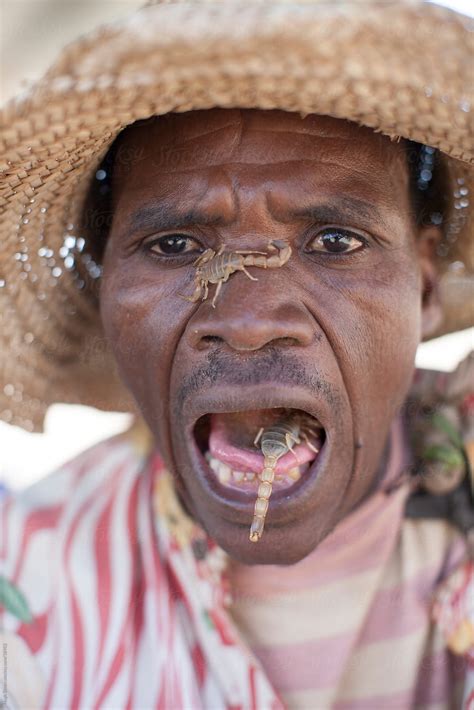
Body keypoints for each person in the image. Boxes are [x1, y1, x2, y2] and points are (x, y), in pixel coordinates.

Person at [0, 1, 473, 708]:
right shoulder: (26, 584)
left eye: (336, 242)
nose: (251, 323)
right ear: (104, 287)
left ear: (426, 283)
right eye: (173, 245)